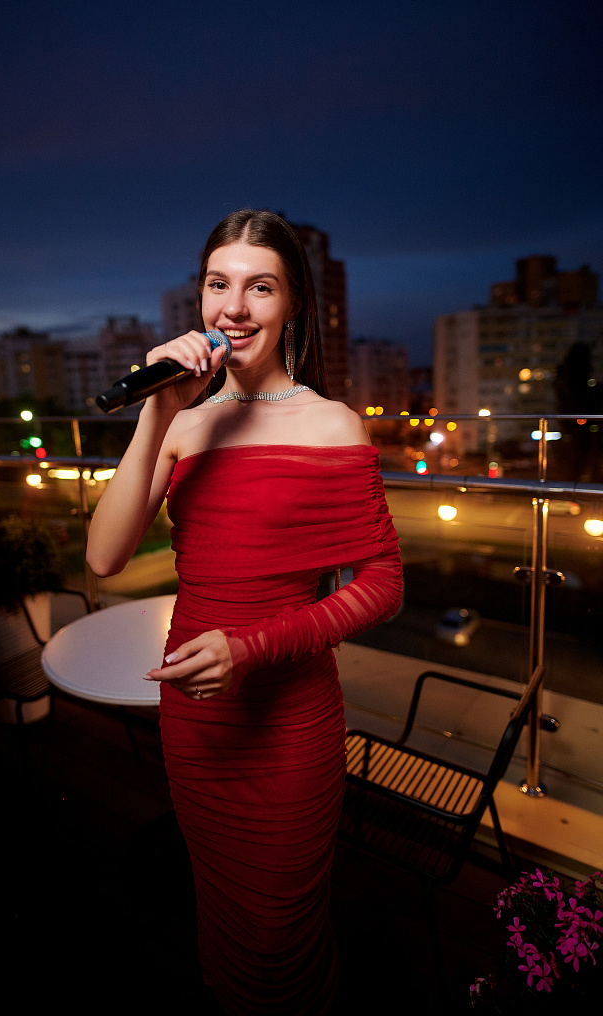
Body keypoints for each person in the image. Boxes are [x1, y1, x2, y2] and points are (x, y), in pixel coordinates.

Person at [87, 209, 403, 1015]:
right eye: (217, 284)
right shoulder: (182, 421)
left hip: (288, 726)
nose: (233, 307)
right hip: (196, 726)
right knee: (222, 910)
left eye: (260, 287)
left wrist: (253, 648)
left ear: (293, 304)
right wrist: (159, 409)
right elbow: (104, 557)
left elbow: (382, 583)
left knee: (278, 934)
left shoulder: (331, 423)